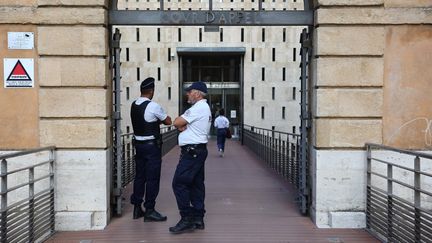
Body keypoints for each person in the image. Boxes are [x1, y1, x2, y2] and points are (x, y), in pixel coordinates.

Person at [170, 81, 212, 234]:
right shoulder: (204, 107)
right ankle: (198, 218)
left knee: (178, 183)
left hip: (192, 152)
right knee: (196, 184)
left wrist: (180, 125)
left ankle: (186, 218)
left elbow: (177, 122)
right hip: (198, 150)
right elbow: (180, 125)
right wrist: (182, 126)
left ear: (197, 93)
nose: (187, 94)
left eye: (189, 91)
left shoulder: (198, 107)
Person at [130, 77, 172, 222]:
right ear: (152, 91)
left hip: (138, 146)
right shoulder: (153, 106)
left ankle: (136, 208)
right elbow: (168, 121)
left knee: (140, 177)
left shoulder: (134, 104)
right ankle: (150, 210)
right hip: (151, 147)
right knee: (152, 178)